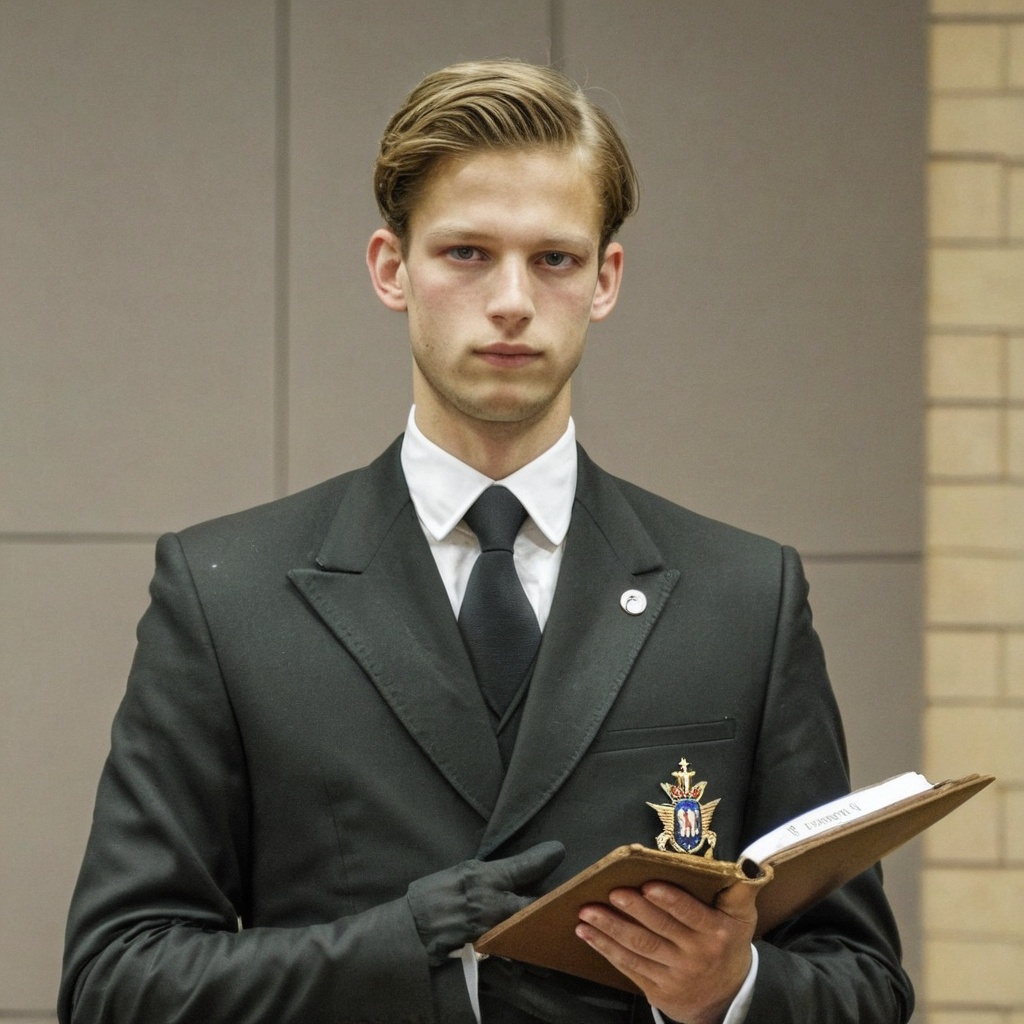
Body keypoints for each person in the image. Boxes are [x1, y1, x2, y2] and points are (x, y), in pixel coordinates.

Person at [58, 59, 914, 1024]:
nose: (511, 300)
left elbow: (864, 984)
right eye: (467, 253)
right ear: (391, 268)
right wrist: (402, 944)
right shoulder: (228, 595)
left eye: (554, 259)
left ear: (605, 280)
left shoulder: (745, 597)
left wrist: (731, 990)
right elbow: (116, 981)